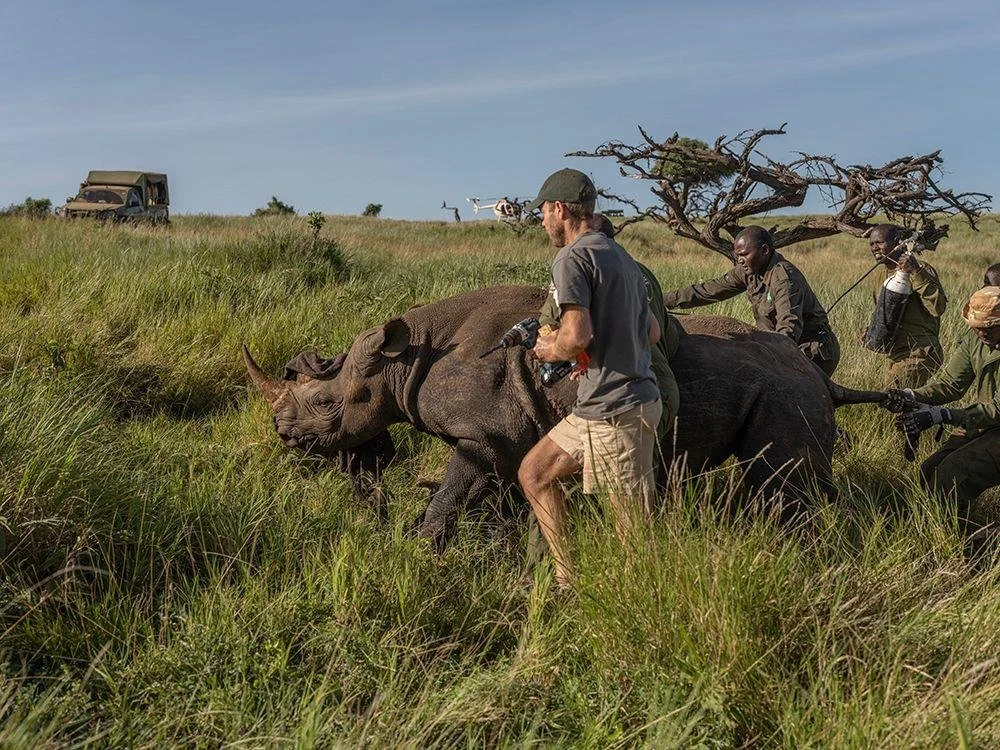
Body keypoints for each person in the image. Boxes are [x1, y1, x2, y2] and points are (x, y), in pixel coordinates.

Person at [517, 169, 662, 586]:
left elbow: (577, 335)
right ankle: (568, 580)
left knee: (633, 539)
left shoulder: (571, 257)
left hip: (617, 410)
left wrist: (550, 348)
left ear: (560, 209)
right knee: (534, 473)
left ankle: (638, 616)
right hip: (602, 405)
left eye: (543, 212)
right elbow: (651, 332)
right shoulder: (622, 257)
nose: (542, 221)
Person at [537, 214, 680, 458]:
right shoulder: (637, 269)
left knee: (627, 491)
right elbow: (663, 334)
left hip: (620, 393)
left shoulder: (578, 263)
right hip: (659, 386)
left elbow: (553, 328)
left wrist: (557, 348)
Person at [882, 287, 1000, 539]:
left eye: (989, 328)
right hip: (982, 423)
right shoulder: (975, 339)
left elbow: (997, 410)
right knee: (930, 469)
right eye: (977, 327)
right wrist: (913, 395)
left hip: (993, 422)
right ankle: (946, 532)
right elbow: (951, 383)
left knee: (953, 473)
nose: (982, 333)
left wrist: (943, 415)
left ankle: (967, 544)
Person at [663, 225, 840, 375]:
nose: (739, 260)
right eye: (737, 255)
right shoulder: (748, 271)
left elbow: (789, 328)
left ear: (764, 250)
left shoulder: (784, 278)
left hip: (811, 352)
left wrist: (765, 355)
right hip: (777, 346)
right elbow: (707, 291)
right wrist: (661, 299)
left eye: (744, 254)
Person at [866, 224, 948, 387]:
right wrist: (871, 331)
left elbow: (937, 307)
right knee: (902, 403)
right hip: (896, 354)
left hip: (919, 351)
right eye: (871, 244)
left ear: (897, 242)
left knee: (899, 400)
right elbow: (883, 313)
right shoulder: (879, 275)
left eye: (880, 242)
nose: (875, 248)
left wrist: (915, 271)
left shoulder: (921, 268)